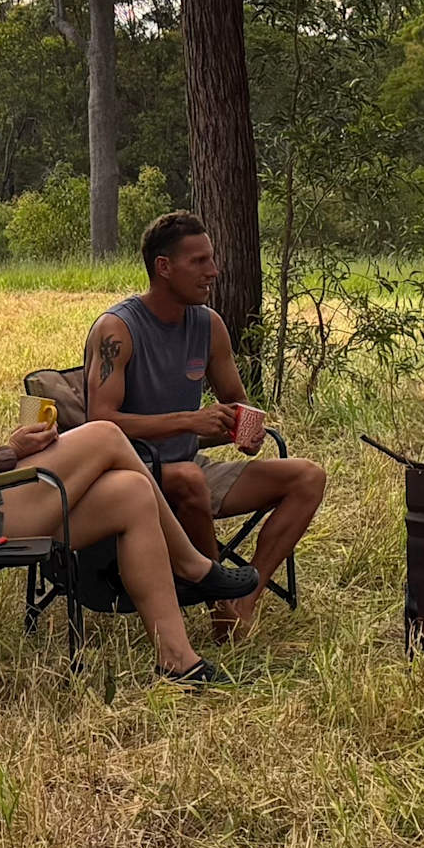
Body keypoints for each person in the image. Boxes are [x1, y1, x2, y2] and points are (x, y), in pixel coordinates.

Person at [0, 209, 256, 685]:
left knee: (132, 493)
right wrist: (9, 452)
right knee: (106, 434)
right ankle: (197, 566)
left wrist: (1, 451)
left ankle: (178, 660)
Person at [82, 210, 329, 641]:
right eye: (199, 262)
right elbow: (100, 421)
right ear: (164, 267)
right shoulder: (118, 329)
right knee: (190, 478)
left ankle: (244, 598)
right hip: (133, 475)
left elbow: (237, 402)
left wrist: (243, 429)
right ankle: (217, 602)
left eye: (212, 259)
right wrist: (189, 420)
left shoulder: (208, 326)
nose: (213, 272)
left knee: (308, 477)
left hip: (189, 464)